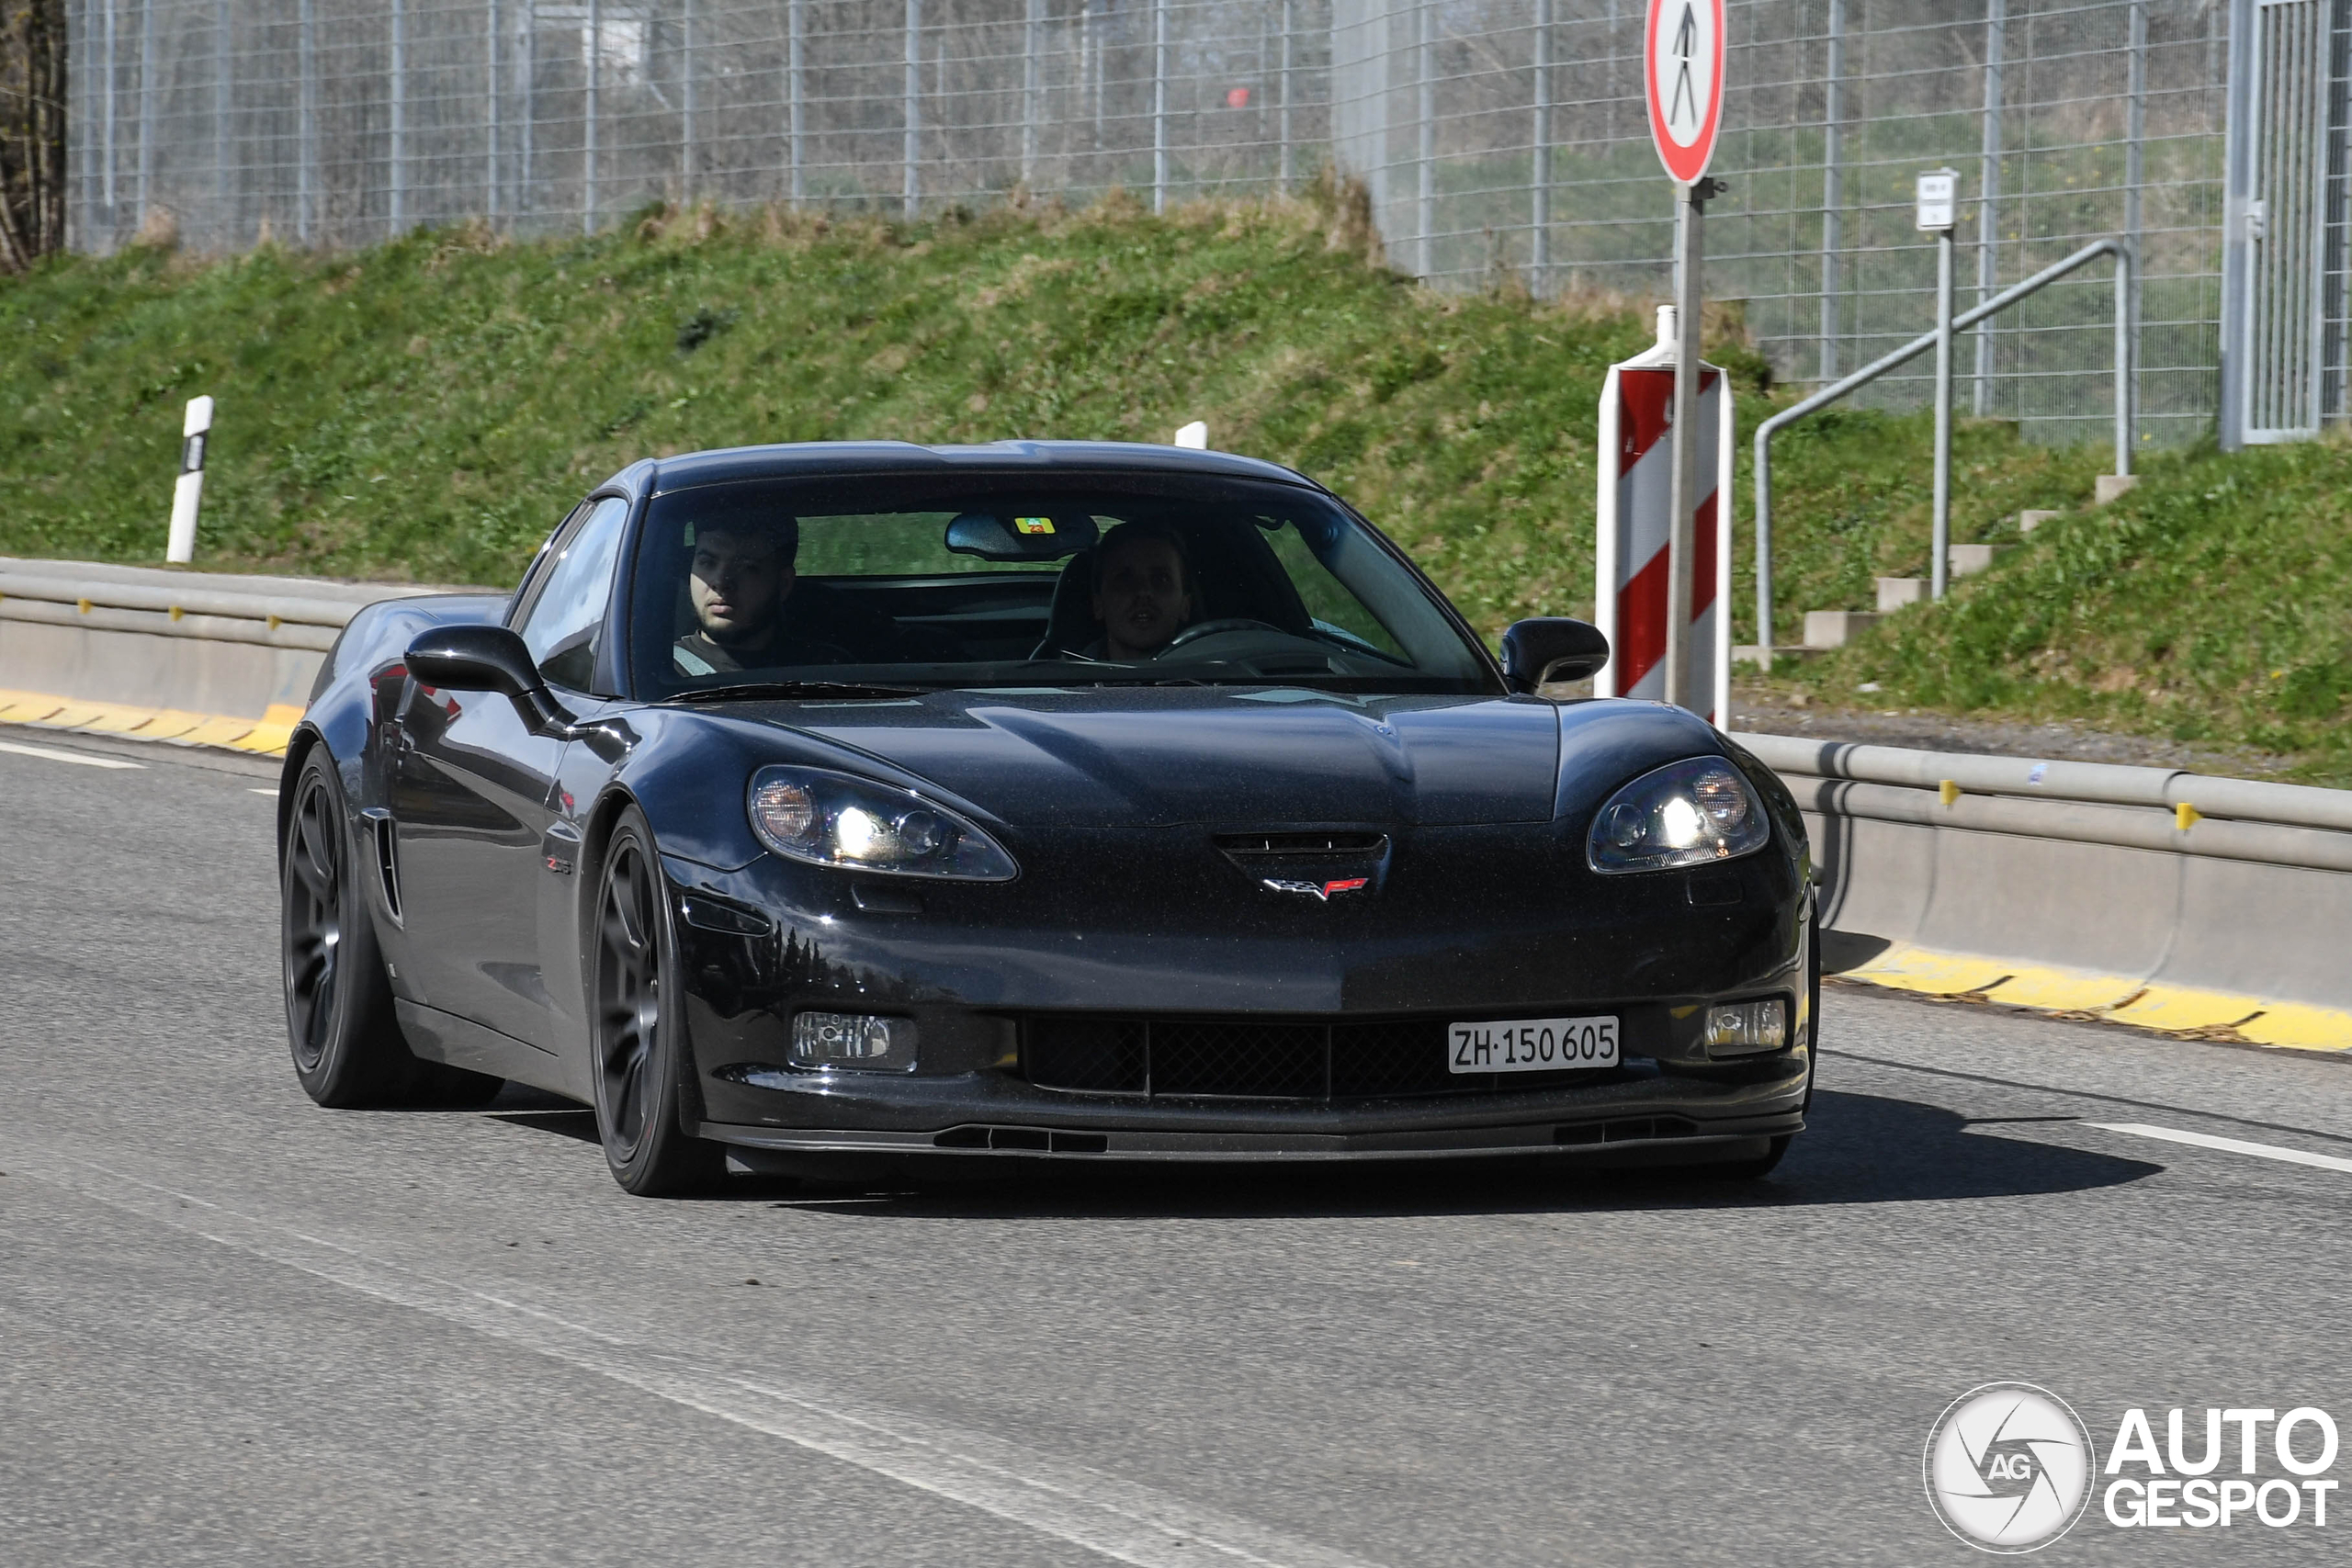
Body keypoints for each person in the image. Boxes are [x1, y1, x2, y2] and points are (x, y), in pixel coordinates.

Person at [673, 516, 842, 675]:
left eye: (747, 567)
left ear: (784, 584)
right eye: (707, 563)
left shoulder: (828, 670)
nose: (721, 582)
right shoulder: (660, 670)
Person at [1086, 521, 1196, 660]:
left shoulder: (1216, 676)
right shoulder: (1065, 677)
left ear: (1185, 606)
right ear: (1098, 605)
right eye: (1125, 580)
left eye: (1161, 579)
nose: (1143, 592)